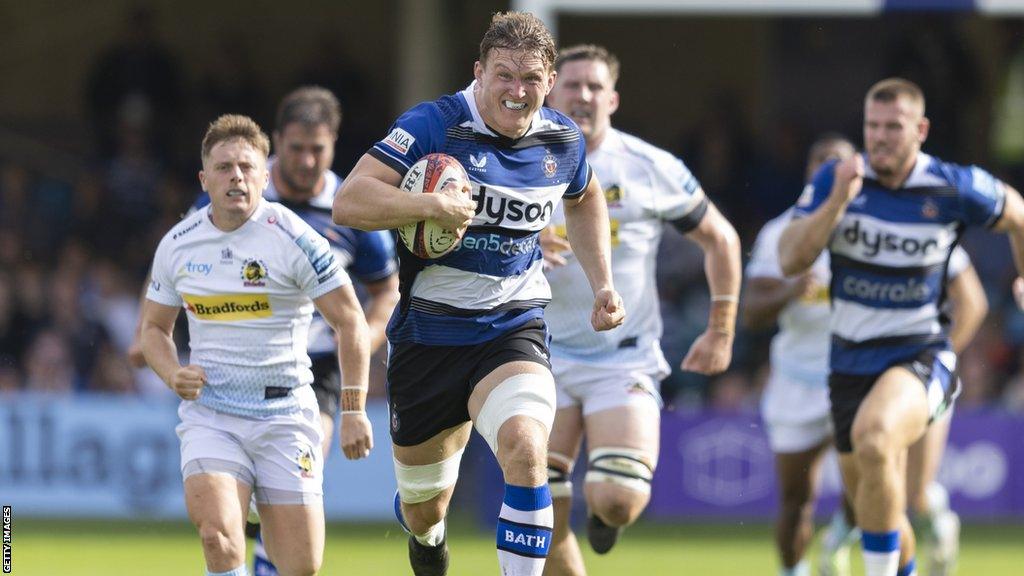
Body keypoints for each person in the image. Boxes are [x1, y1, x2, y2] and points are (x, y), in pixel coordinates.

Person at [332, 13, 625, 576]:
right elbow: (350, 201)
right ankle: (428, 533)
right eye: (505, 76)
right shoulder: (434, 125)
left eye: (532, 79)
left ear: (549, 79)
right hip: (429, 337)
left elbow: (584, 198)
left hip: (511, 327)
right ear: (479, 73)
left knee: (525, 447)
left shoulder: (562, 139)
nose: (518, 92)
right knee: (423, 509)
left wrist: (602, 283)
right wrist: (426, 206)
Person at [778, 77, 1024, 576]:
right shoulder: (836, 180)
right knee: (874, 503)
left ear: (921, 130)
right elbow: (789, 259)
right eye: (873, 126)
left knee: (876, 438)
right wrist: (835, 205)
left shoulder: (952, 185)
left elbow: (1017, 213)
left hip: (919, 351)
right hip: (848, 363)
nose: (881, 137)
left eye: (894, 127)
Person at [140, 114, 372, 576]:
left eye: (247, 166)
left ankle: (257, 502)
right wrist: (172, 373)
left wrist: (353, 408)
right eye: (224, 167)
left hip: (285, 415)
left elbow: (350, 320)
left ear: (265, 175)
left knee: (301, 566)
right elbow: (152, 330)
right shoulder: (179, 244)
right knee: (218, 536)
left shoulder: (296, 238)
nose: (236, 177)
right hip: (213, 413)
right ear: (204, 179)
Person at [539, 45, 740, 576]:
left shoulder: (649, 166)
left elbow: (721, 239)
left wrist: (721, 329)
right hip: (535, 353)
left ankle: (608, 511)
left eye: (594, 87)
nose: (582, 95)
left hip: (621, 356)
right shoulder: (516, 158)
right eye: (573, 85)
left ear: (613, 98)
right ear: (551, 92)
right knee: (540, 516)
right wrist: (517, 239)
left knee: (618, 497)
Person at [746, 136, 987, 576]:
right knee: (801, 498)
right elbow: (752, 310)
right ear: (812, 172)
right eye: (824, 163)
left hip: (888, 372)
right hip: (805, 379)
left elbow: (972, 300)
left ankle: (889, 531)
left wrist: (937, 361)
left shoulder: (903, 215)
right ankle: (818, 555)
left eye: (843, 162)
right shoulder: (784, 233)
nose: (836, 169)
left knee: (891, 488)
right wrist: (788, 291)